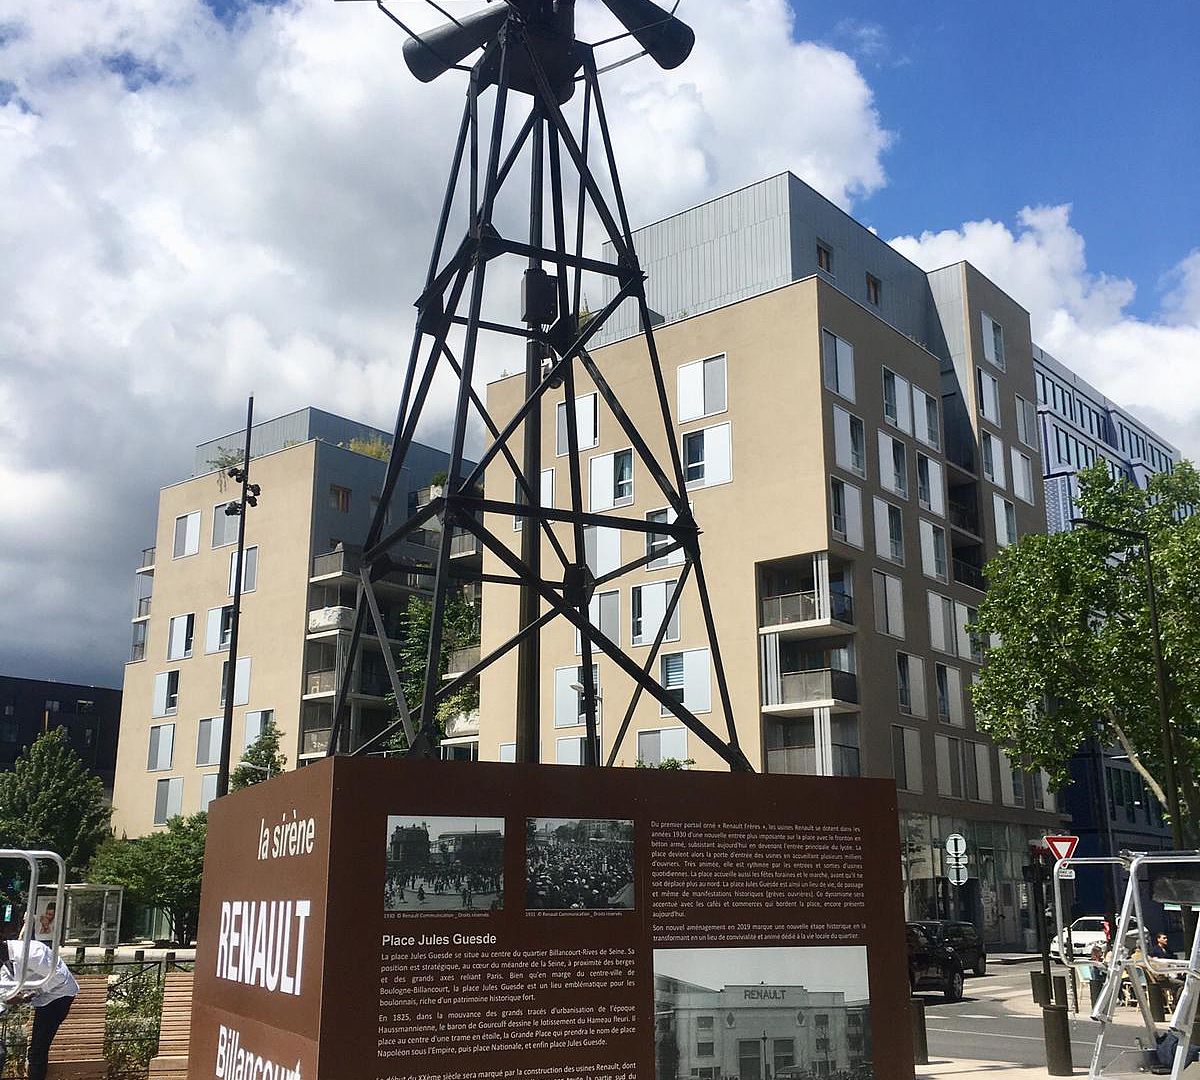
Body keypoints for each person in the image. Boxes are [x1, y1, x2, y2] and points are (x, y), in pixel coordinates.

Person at [0, 919, 79, 1080]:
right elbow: (5, 993)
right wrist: (9, 999)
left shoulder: (31, 953)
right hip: (41, 996)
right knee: (34, 1049)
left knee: (38, 1048)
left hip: (59, 996)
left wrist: (31, 994)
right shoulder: (4, 961)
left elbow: (58, 977)